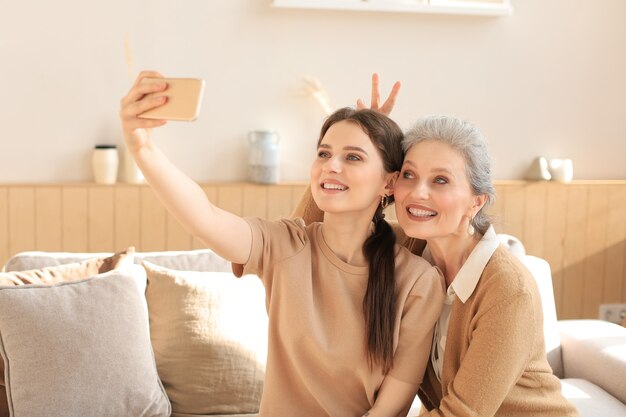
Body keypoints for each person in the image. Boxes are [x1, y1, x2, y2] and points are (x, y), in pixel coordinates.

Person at [119, 71, 445, 417]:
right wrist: (142, 146)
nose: (330, 166)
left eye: (352, 157)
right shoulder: (286, 244)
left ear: (389, 183)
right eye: (323, 154)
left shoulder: (418, 281)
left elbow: (401, 387)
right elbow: (205, 216)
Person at [295, 76, 580, 417]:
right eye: (409, 175)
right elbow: (305, 242)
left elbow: (460, 414)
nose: (418, 193)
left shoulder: (508, 289)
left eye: (440, 180)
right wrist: (363, 144)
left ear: (476, 201)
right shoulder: (404, 248)